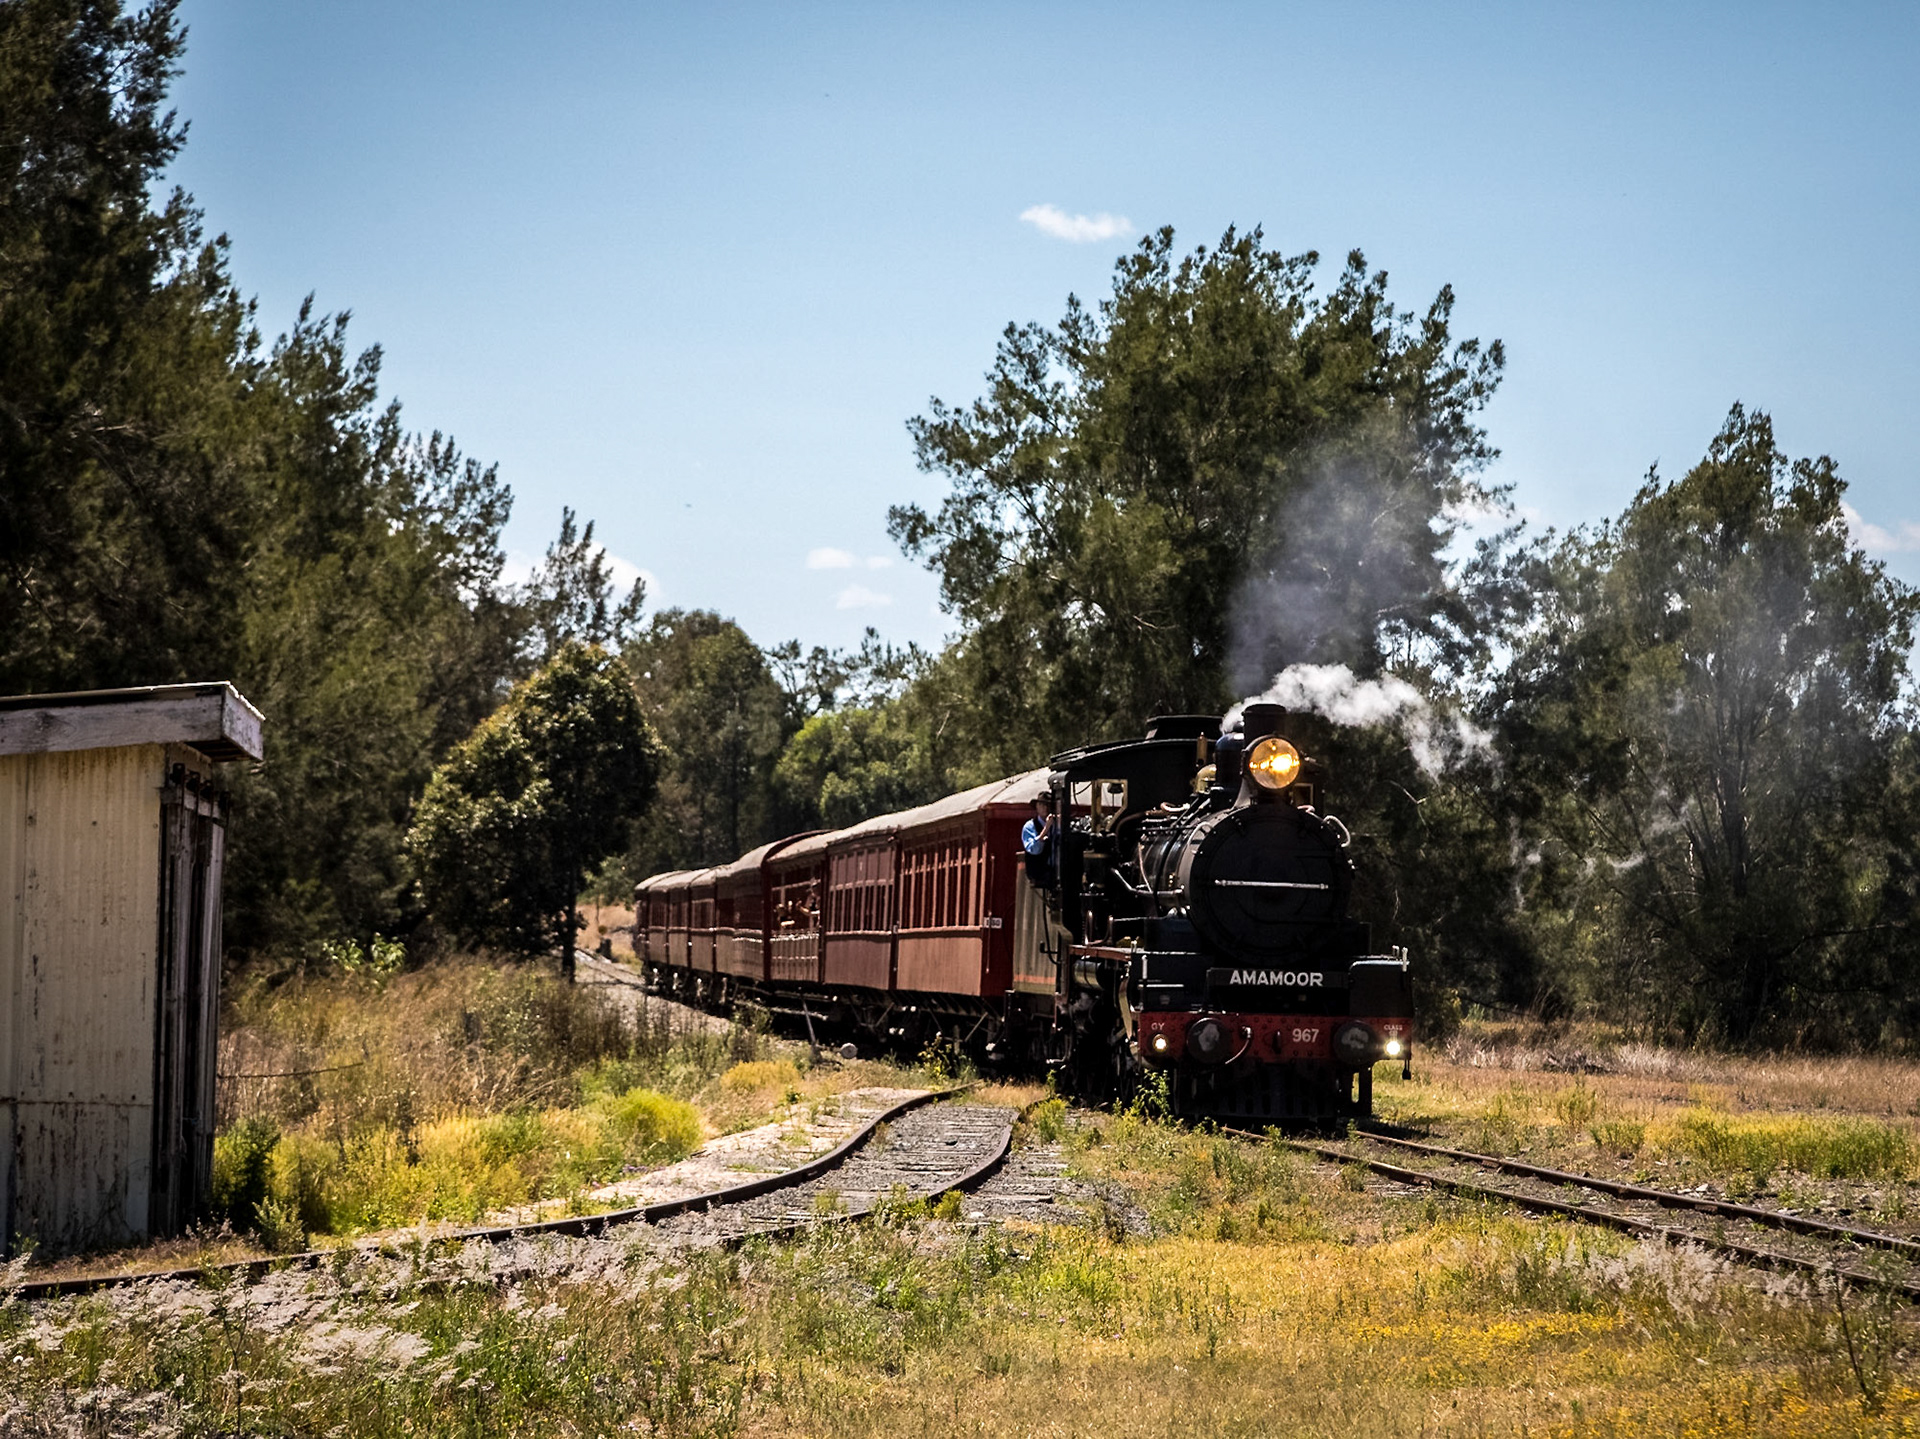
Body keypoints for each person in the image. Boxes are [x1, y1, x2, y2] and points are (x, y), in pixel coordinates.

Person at [1021, 794, 1057, 887]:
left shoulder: (1057, 825)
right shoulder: (1029, 826)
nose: (1045, 808)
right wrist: (1046, 828)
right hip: (1039, 874)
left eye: (1047, 805)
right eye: (1041, 805)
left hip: (1056, 872)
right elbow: (1034, 849)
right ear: (1037, 806)